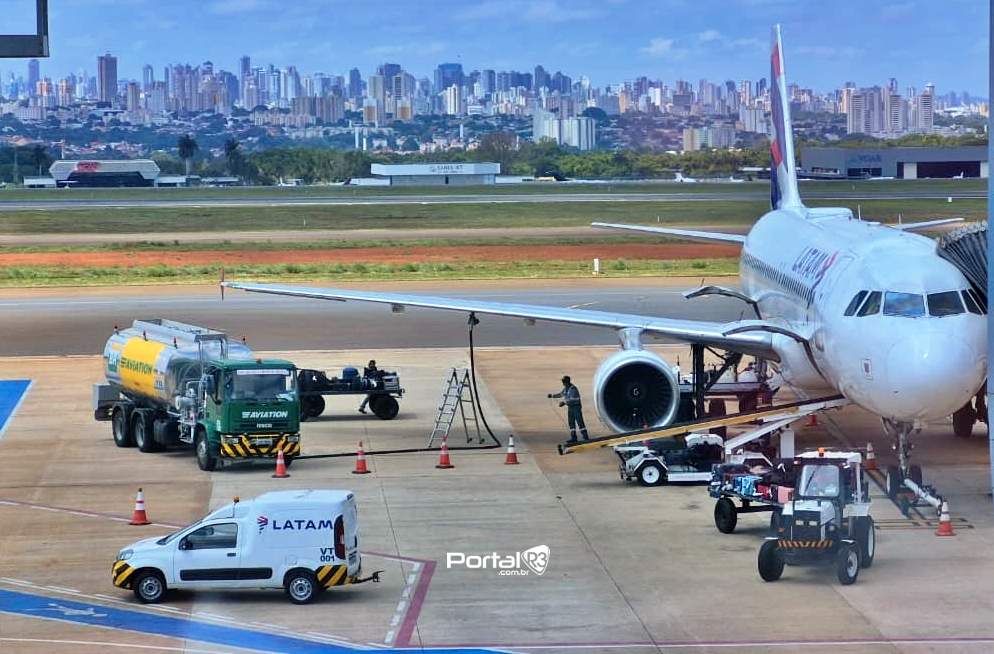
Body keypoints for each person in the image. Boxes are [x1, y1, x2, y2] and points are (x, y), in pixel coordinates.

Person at [548, 375, 588, 442]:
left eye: (563, 381)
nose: (563, 383)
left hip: (576, 408)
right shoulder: (566, 389)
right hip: (570, 408)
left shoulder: (573, 389)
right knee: (571, 422)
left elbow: (573, 400)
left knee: (580, 422)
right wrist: (552, 396)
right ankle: (573, 437)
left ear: (567, 381)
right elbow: (560, 394)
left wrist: (564, 403)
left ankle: (585, 437)